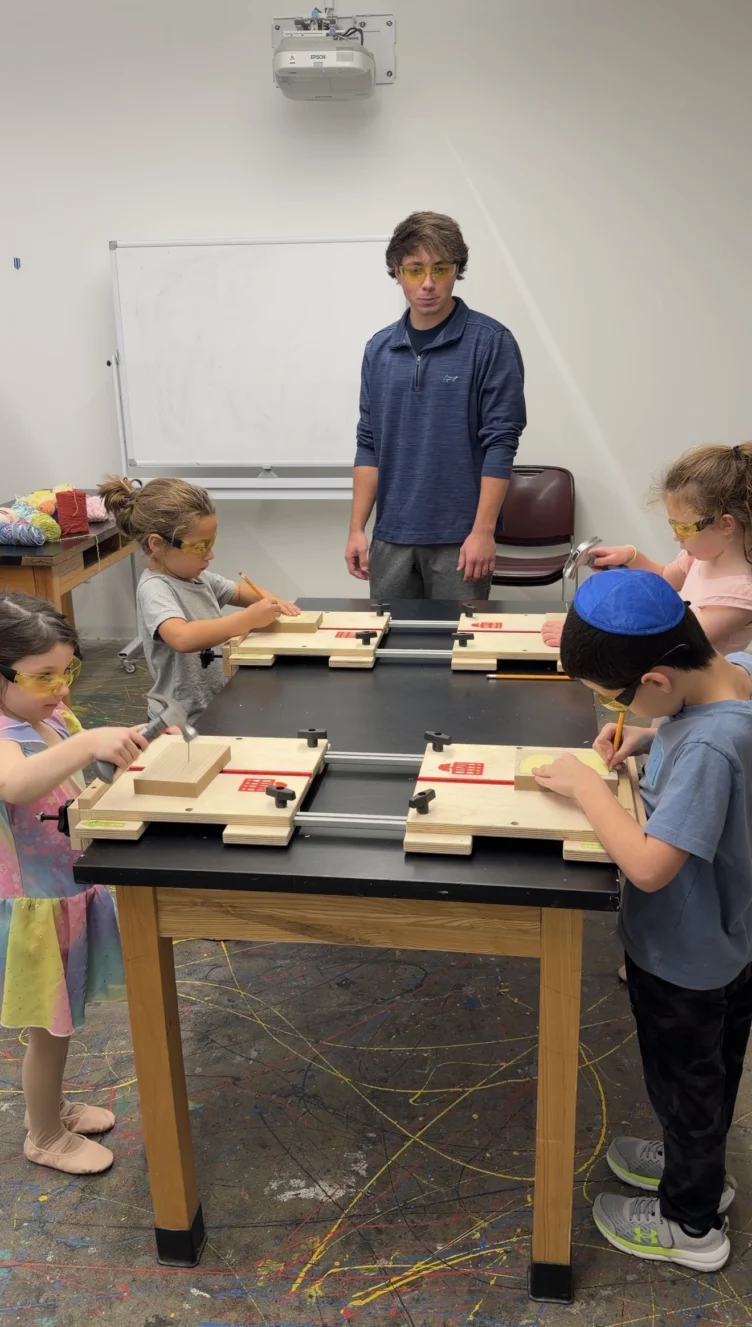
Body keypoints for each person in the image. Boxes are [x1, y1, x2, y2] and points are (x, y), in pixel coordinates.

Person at [532, 569, 752, 1273]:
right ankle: (698, 1161)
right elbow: (695, 730)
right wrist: (645, 744)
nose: (618, 710)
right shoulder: (735, 674)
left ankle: (692, 1221)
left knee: (686, 1081)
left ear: (657, 678)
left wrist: (591, 790)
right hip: (729, 937)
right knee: (710, 1072)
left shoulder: (713, 747)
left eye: (618, 699)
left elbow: (653, 865)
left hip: (686, 952)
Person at [0, 592, 150, 1174]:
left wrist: (118, 742)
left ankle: (53, 1106)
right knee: (49, 1027)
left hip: (64, 887)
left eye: (68, 671)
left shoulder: (48, 716)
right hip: (33, 905)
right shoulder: (7, 736)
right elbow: (16, 785)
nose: (61, 687)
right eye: (43, 676)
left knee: (59, 1021)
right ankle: (43, 1136)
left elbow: (72, 776)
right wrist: (89, 742)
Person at [344, 211, 526, 600]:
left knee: (459, 653)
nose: (427, 284)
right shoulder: (379, 349)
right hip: (391, 536)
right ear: (396, 272)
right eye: (414, 270)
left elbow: (501, 443)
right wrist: (357, 528)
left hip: (461, 539)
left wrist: (483, 532)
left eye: (440, 269)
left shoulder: (490, 342)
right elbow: (368, 443)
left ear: (456, 270)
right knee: (387, 649)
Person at [100, 476, 299, 725]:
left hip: (212, 706)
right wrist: (248, 619)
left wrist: (276, 603)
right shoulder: (155, 589)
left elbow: (239, 591)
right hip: (178, 721)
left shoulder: (198, 577)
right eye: (200, 547)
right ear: (157, 545)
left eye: (211, 544)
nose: (210, 554)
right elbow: (182, 638)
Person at [543, 442, 752, 653]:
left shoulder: (739, 596)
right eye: (673, 526)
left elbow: (674, 640)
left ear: (725, 525)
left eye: (683, 528)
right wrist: (631, 557)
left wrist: (583, 637)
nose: (674, 536)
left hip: (696, 683)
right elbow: (665, 577)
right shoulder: (699, 557)